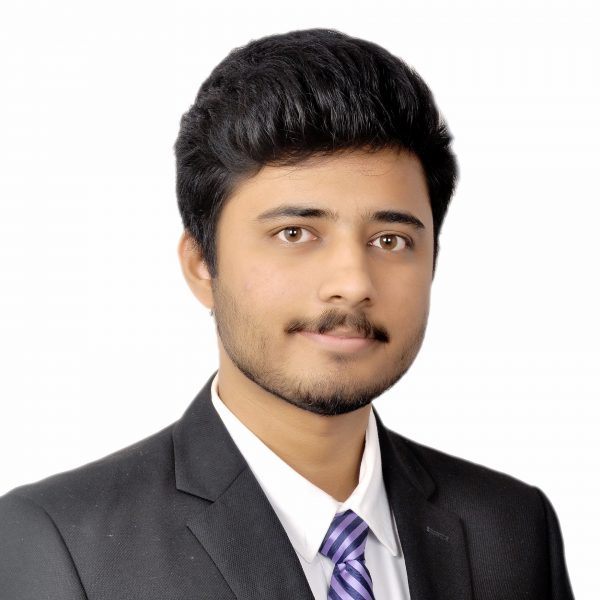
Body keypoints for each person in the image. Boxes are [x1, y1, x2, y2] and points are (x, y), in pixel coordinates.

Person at [0, 28, 574, 600]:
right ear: (202, 265)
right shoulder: (61, 544)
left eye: (391, 240)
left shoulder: (512, 527)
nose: (353, 284)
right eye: (295, 233)